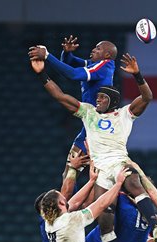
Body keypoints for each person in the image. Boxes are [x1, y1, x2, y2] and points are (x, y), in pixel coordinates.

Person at [29, 53, 157, 242]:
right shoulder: (89, 113)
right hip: (101, 171)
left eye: (102, 97)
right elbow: (61, 97)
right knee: (105, 222)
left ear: (112, 101)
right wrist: (42, 74)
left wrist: (137, 74)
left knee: (133, 181)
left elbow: (147, 97)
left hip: (118, 161)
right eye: (98, 96)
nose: (98, 98)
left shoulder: (124, 114)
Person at [28, 36, 117, 190]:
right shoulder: (94, 64)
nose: (93, 50)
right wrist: (66, 53)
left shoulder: (104, 66)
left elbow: (73, 74)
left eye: (98, 48)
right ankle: (70, 210)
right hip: (88, 124)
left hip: (97, 127)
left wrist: (47, 55)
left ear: (107, 55)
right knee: (69, 174)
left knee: (89, 178)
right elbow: (69, 63)